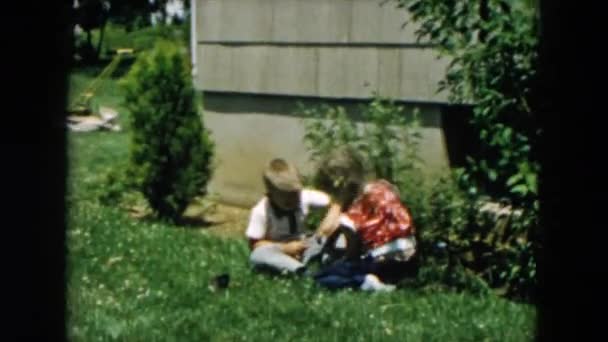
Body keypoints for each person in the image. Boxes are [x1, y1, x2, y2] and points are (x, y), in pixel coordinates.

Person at [308, 147, 419, 291]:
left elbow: (328, 233)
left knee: (324, 277)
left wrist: (338, 202)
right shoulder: (382, 187)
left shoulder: (359, 204)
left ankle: (364, 282)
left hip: (381, 259)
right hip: (409, 256)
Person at [246, 158, 332, 274]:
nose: (292, 199)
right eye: (286, 196)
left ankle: (330, 263)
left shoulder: (303, 197)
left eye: (295, 194)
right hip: (277, 251)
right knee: (258, 255)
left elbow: (330, 201)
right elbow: (255, 244)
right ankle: (300, 270)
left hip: (303, 246)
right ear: (271, 193)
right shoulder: (261, 211)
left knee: (329, 238)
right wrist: (285, 248)